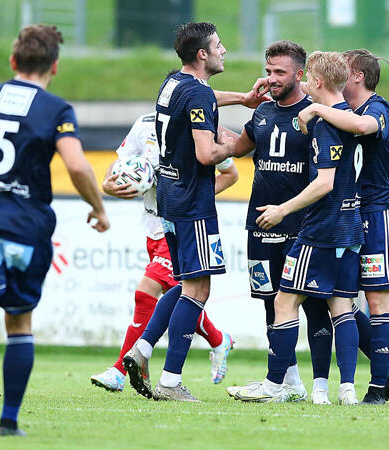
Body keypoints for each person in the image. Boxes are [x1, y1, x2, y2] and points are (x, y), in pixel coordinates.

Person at [0, 24, 109, 436]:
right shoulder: (55, 110)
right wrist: (98, 209)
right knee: (20, 322)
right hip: (28, 230)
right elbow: (78, 165)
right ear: (55, 67)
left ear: (13, 61)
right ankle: (9, 423)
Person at [122, 22, 265, 402]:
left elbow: (202, 97)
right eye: (219, 46)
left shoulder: (174, 83)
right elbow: (206, 153)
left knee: (185, 284)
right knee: (199, 288)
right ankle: (170, 382)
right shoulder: (196, 93)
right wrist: (238, 146)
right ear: (202, 54)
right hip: (193, 201)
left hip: (168, 198)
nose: (224, 51)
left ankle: (142, 349)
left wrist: (243, 99)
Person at [233, 51, 363, 405]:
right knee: (332, 303)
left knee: (296, 303)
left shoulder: (320, 120)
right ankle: (328, 386)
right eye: (268, 71)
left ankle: (286, 384)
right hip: (277, 227)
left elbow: (325, 182)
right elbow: (232, 148)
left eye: (281, 72)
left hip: (311, 226)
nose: (272, 77)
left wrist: (284, 209)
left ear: (309, 78)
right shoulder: (353, 118)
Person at [89, 109, 238, 392]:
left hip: (183, 224)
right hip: (154, 229)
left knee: (146, 291)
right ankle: (220, 341)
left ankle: (121, 370)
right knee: (183, 296)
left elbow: (230, 174)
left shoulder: (203, 128)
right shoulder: (144, 124)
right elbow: (118, 167)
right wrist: (109, 184)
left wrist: (191, 200)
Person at [296, 48, 389, 405]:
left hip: (378, 216)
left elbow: (365, 129)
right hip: (347, 218)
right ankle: (387, 369)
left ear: (357, 76)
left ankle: (378, 388)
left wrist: (315, 108)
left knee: (376, 300)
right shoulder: (339, 114)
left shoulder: (376, 109)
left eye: (344, 69)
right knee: (340, 299)